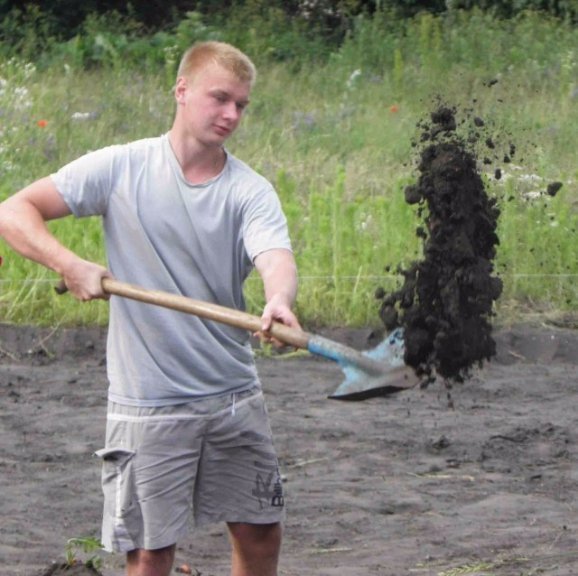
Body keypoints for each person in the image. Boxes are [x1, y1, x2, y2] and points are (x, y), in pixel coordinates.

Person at [0, 41, 299, 576]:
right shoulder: (122, 167)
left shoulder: (249, 191)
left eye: (241, 104)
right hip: (149, 403)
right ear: (181, 90)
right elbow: (14, 211)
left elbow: (274, 256)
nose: (231, 114)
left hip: (232, 395)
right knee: (149, 551)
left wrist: (279, 298)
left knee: (260, 529)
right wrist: (69, 263)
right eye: (220, 98)